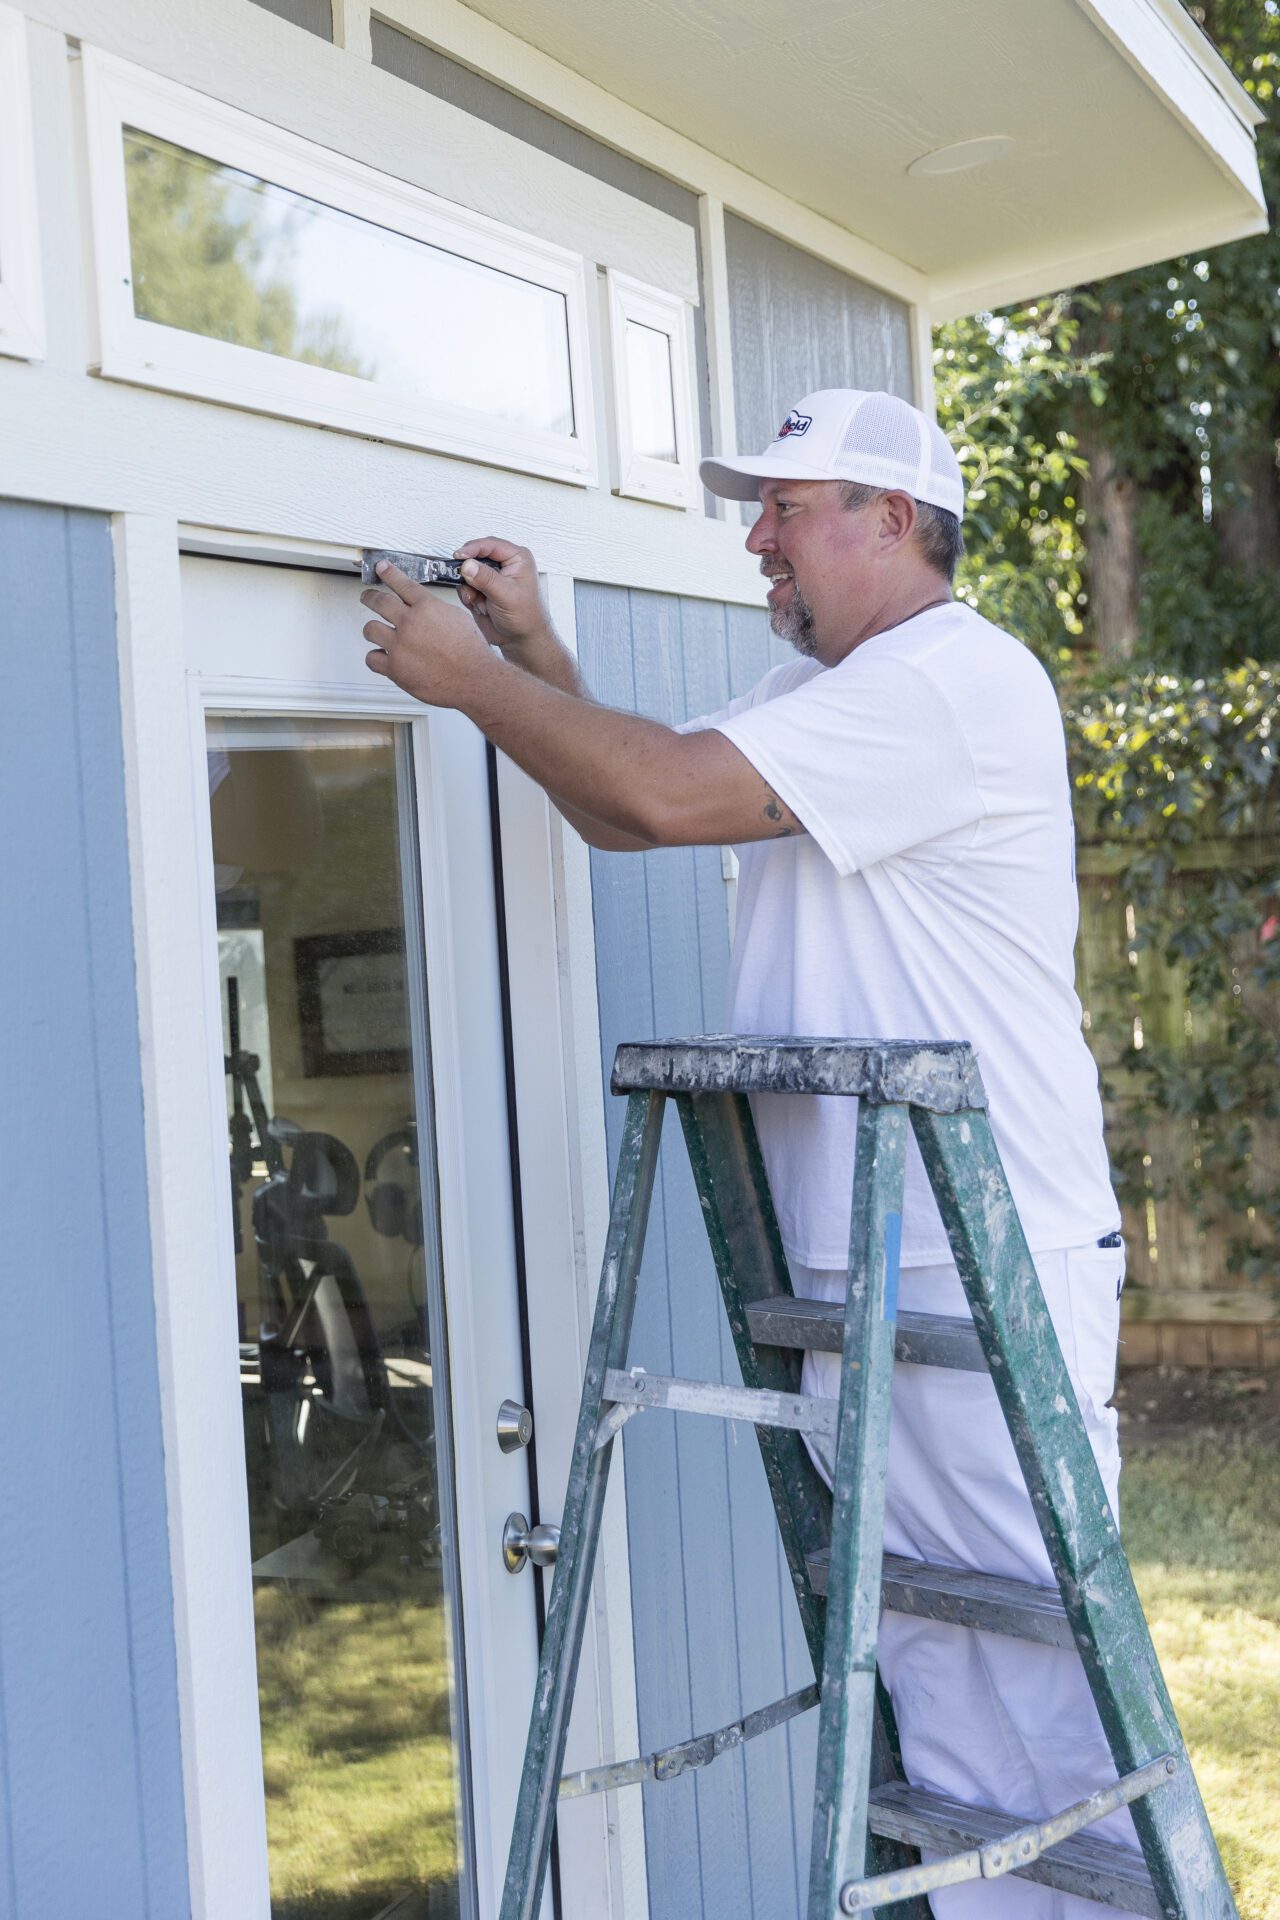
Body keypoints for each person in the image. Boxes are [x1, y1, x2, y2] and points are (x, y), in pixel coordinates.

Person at [360, 387, 1139, 1918]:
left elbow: (655, 794)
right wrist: (529, 663)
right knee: (926, 1661)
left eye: (785, 508)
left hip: (983, 1254)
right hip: (865, 1251)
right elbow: (628, 798)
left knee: (1040, 1678)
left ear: (891, 522)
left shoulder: (954, 685)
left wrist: (468, 686)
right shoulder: (829, 705)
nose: (755, 540)